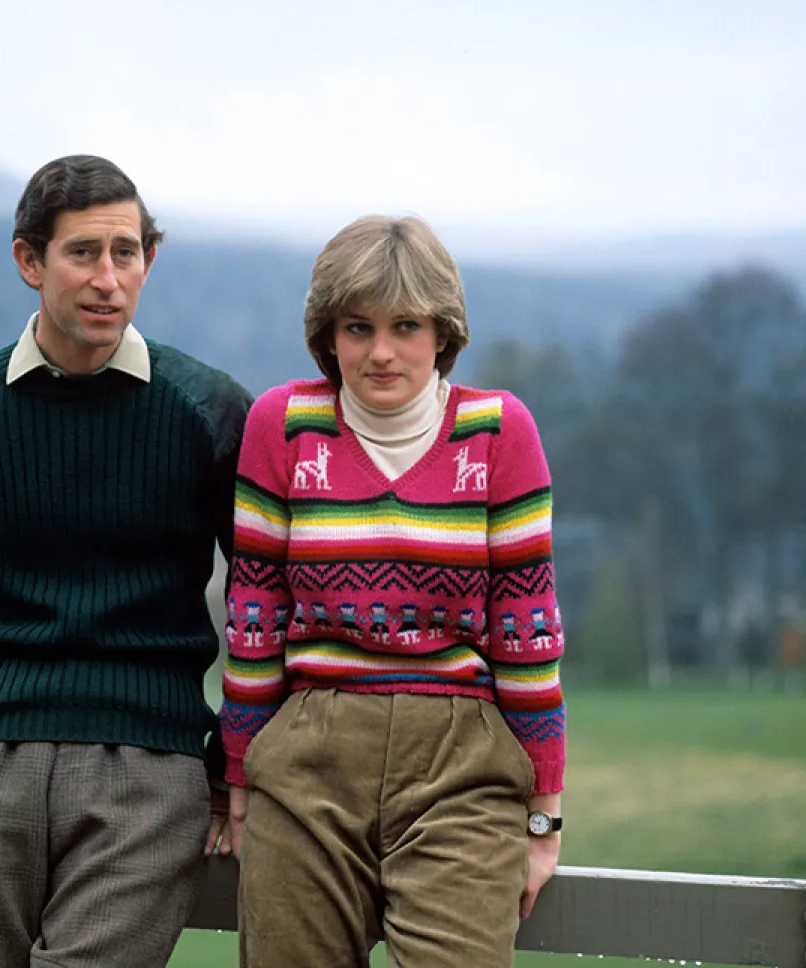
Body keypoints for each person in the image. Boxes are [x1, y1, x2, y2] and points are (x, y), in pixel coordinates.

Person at [0, 154, 252, 968]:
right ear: (29, 261)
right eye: (83, 253)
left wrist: (231, 762)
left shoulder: (208, 411)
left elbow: (265, 594)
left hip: (152, 768)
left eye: (127, 252)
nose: (108, 278)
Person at [219, 215, 566, 967]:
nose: (380, 352)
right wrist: (240, 781)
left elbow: (528, 631)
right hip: (307, 758)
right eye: (357, 327)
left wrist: (544, 816)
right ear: (328, 335)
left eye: (406, 325)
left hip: (461, 764)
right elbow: (253, 620)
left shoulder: (498, 432)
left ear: (443, 332)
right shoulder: (282, 425)